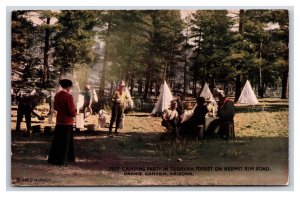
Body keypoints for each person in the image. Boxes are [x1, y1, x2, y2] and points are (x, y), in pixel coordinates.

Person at [48, 79, 77, 165]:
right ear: (68, 87)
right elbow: (71, 111)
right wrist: (75, 113)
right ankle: (64, 160)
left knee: (57, 141)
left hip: (59, 121)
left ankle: (54, 159)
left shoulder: (57, 95)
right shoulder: (69, 96)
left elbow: (56, 107)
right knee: (66, 142)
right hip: (67, 122)